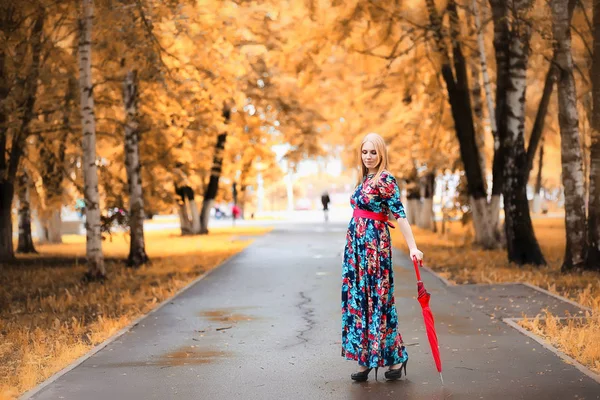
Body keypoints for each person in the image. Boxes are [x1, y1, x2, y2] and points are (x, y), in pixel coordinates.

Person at [341, 132, 424, 382]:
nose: (368, 156)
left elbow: (400, 215)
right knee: (360, 303)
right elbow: (372, 211)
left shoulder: (385, 179)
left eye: (373, 152)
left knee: (378, 302)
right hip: (357, 251)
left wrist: (413, 247)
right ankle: (370, 358)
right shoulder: (364, 179)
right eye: (365, 152)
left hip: (375, 250)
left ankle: (390, 358)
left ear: (381, 154)